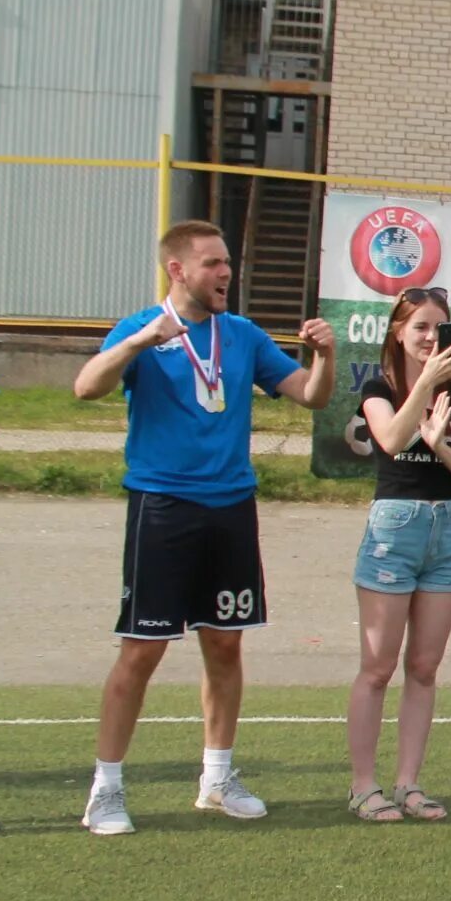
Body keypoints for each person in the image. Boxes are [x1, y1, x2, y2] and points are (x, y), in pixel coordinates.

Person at [74, 220, 335, 835]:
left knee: (225, 642)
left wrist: (322, 355)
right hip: (162, 507)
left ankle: (217, 778)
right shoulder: (144, 328)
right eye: (214, 263)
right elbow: (86, 387)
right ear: (178, 270)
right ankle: (105, 789)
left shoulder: (240, 335)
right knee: (142, 649)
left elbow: (311, 397)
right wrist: (141, 341)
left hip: (231, 509)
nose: (226, 274)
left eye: (228, 263)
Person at [346, 287, 451, 822]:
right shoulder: (380, 387)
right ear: (398, 331)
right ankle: (364, 786)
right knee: (377, 667)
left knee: (424, 667)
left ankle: (409, 784)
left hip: (445, 530)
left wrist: (441, 442)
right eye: (420, 327)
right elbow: (389, 437)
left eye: (439, 328)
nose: (430, 338)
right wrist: (425, 385)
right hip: (393, 529)